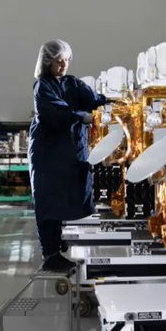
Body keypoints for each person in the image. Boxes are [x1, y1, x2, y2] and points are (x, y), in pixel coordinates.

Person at [28, 40, 108, 272]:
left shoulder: (73, 83)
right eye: (58, 61)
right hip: (48, 152)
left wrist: (122, 104)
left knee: (63, 197)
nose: (63, 65)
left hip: (70, 152)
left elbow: (95, 100)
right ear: (47, 62)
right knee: (48, 200)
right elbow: (56, 113)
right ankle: (50, 255)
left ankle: (56, 244)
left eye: (66, 60)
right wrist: (81, 117)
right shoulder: (42, 86)